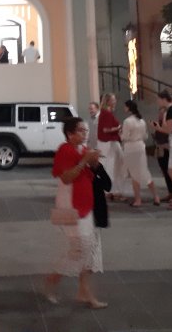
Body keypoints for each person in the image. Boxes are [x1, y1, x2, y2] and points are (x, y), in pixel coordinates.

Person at [43, 117, 106, 309]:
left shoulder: (83, 149)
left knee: (91, 247)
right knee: (79, 248)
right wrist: (84, 161)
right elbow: (66, 178)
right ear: (70, 134)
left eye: (86, 130)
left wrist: (94, 163)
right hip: (69, 206)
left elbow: (92, 174)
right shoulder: (65, 150)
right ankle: (52, 280)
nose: (85, 134)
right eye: (81, 130)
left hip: (86, 204)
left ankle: (84, 291)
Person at [121, 101, 160, 207]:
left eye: (125, 106)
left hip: (131, 148)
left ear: (128, 108)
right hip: (141, 146)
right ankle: (156, 196)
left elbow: (125, 137)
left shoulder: (127, 121)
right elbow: (145, 136)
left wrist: (119, 134)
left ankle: (138, 200)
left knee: (134, 174)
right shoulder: (142, 121)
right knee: (144, 171)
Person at [96, 93, 126, 200]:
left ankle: (111, 189)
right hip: (108, 142)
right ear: (108, 101)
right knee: (112, 166)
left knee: (112, 166)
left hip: (108, 142)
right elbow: (105, 129)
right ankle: (111, 189)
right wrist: (118, 128)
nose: (115, 101)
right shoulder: (107, 113)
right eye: (113, 100)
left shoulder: (105, 113)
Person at [153, 105, 172, 203]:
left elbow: (169, 135)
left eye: (162, 113)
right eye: (160, 113)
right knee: (165, 172)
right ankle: (170, 192)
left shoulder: (167, 124)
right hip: (160, 149)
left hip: (167, 149)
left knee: (171, 173)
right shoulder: (159, 123)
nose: (160, 115)